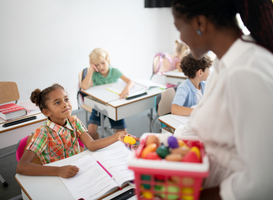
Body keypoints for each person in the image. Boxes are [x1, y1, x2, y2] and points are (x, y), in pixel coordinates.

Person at [172, 0, 273, 199]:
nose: (181, 38)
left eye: (179, 28)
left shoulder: (246, 71)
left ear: (200, 23)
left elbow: (263, 181)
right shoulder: (223, 63)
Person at [16, 84, 129, 178]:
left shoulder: (74, 121)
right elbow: (22, 167)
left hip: (77, 171)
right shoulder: (43, 133)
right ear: (47, 112)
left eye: (66, 99)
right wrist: (58, 171)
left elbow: (91, 144)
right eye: (57, 102)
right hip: (56, 176)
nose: (65, 104)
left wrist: (117, 136)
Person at [80, 48, 134, 140]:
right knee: (91, 131)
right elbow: (84, 87)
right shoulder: (95, 74)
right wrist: (91, 69)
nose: (101, 67)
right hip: (99, 105)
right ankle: (99, 145)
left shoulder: (114, 71)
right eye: (97, 64)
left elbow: (130, 81)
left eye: (103, 63)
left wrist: (126, 89)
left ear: (108, 61)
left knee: (122, 132)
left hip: (113, 106)